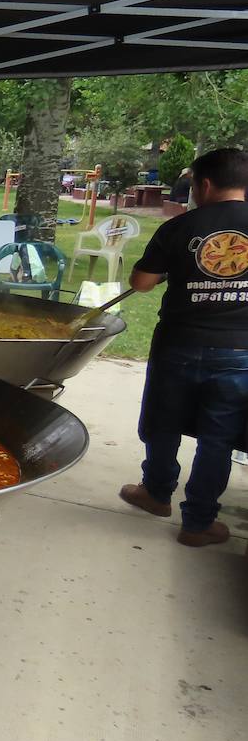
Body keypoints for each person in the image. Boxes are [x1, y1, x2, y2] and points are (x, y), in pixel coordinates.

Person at [119, 148, 248, 547]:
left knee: (164, 422)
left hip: (180, 345)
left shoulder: (180, 227)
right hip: (239, 352)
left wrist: (169, 273)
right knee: (219, 438)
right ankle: (198, 522)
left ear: (204, 185)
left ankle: (156, 494)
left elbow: (141, 283)